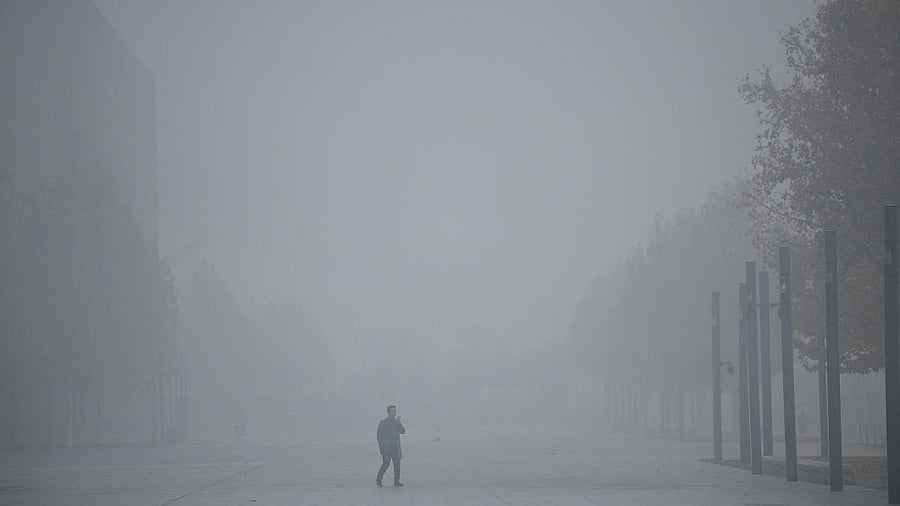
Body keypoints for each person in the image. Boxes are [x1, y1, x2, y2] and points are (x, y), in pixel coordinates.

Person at [376, 405, 405, 487]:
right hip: (386, 448)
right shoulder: (383, 423)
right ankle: (378, 479)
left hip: (395, 447)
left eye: (394, 411)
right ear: (388, 412)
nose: (393, 413)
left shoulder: (396, 423)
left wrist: (399, 422)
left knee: (397, 465)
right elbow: (379, 436)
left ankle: (397, 481)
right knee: (386, 464)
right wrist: (381, 447)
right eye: (392, 411)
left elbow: (403, 431)